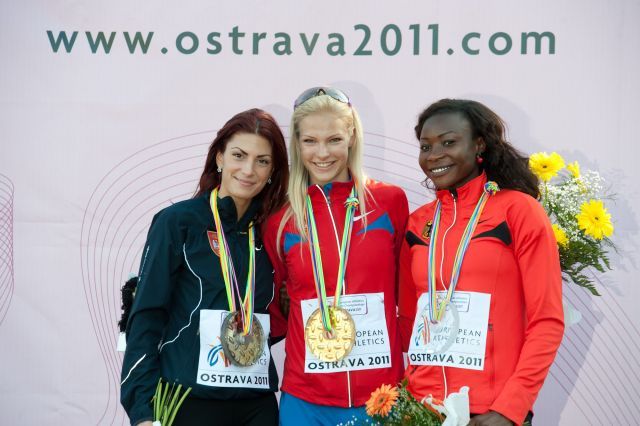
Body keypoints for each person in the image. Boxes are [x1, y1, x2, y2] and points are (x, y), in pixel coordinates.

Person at [398, 99, 564, 426]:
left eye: (448, 142)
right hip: (421, 409)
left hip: (491, 412)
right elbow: (408, 319)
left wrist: (510, 409)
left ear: (479, 144)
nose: (434, 155)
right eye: (425, 146)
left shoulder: (518, 211)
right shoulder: (418, 223)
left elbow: (547, 320)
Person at [120, 108, 289, 426]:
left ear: (273, 172)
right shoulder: (179, 222)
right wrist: (142, 410)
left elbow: (267, 320)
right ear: (219, 157)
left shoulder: (273, 231)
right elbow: (145, 317)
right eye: (239, 155)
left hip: (256, 404)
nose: (248, 170)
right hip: (188, 401)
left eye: (262, 161)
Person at [263, 87, 409, 425]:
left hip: (381, 395)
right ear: (296, 145)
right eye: (310, 141)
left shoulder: (389, 202)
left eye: (334, 139)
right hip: (306, 398)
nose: (322, 153)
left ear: (352, 138)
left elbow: (407, 292)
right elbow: (276, 306)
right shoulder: (281, 220)